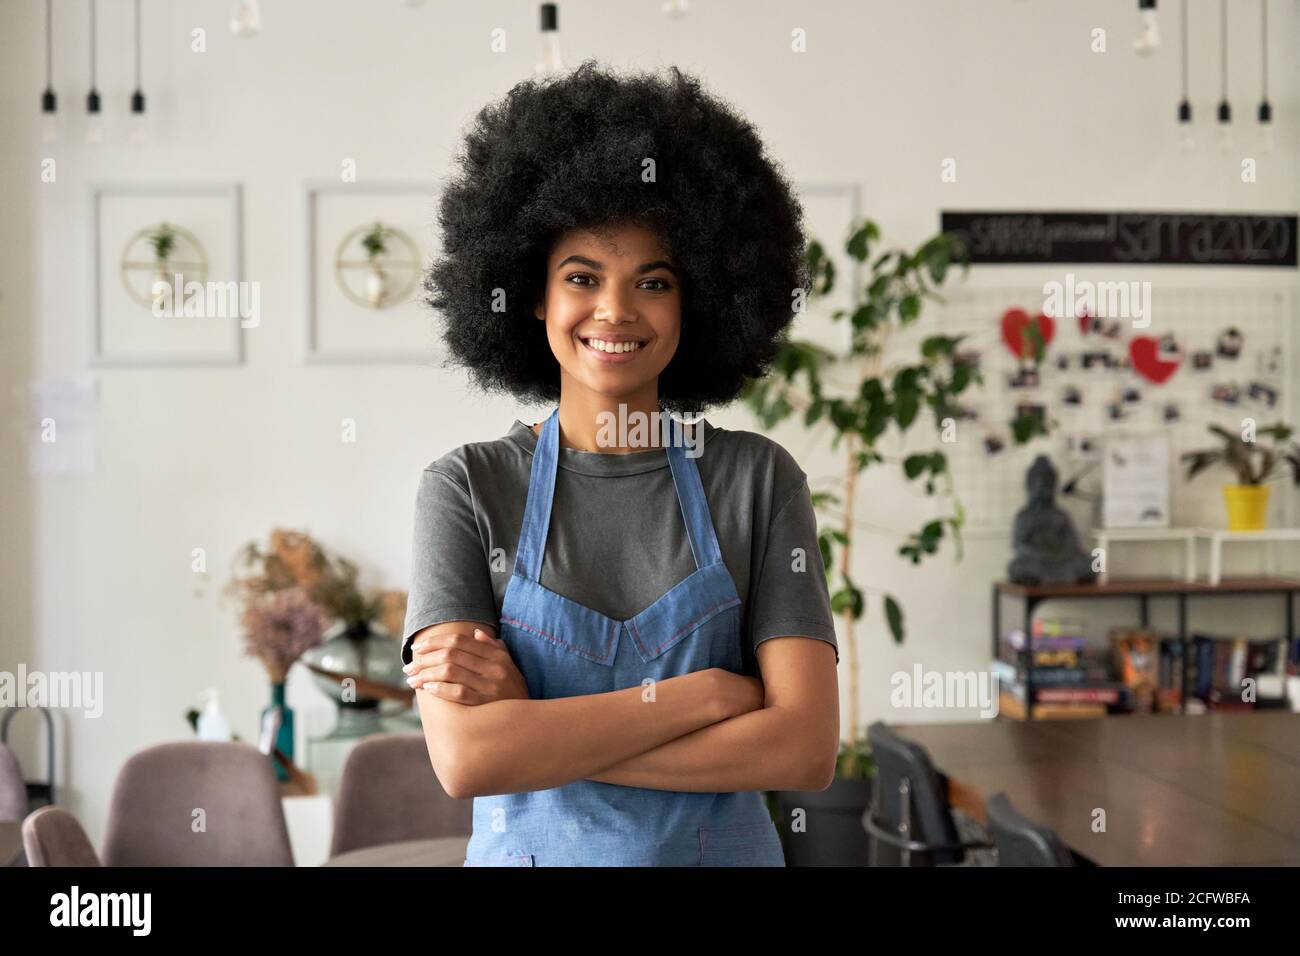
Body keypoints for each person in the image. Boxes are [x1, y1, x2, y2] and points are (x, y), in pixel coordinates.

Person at [401, 61, 840, 866]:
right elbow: (467, 759)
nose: (614, 311)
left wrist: (537, 728)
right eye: (581, 277)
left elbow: (805, 749)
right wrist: (707, 697)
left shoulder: (758, 481)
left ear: (697, 300)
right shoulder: (465, 489)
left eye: (653, 281)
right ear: (532, 293)